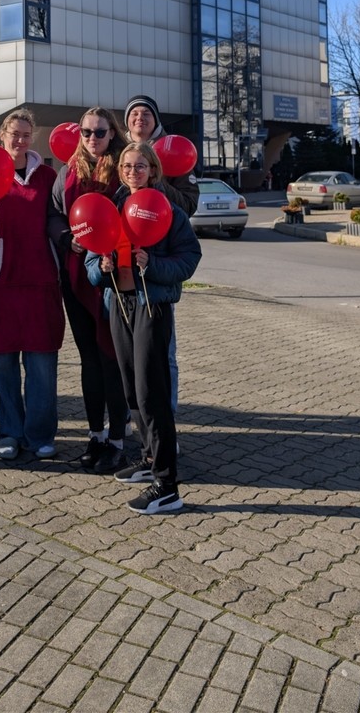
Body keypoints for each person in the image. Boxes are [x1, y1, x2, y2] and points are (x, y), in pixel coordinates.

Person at [86, 142, 201, 514]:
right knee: (131, 388)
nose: (132, 172)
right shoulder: (112, 208)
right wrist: (101, 268)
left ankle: (167, 485)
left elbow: (189, 258)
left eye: (140, 166)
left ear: (153, 170)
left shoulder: (167, 210)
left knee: (152, 392)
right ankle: (149, 458)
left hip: (152, 306)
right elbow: (90, 262)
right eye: (126, 165)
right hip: (120, 304)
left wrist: (152, 265)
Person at [0, 108, 64, 462]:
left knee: (42, 366)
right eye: (15, 134)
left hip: (40, 284)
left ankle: (40, 435)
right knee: (3, 367)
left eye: (27, 135)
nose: (21, 140)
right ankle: (10, 433)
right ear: (2, 135)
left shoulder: (47, 176)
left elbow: (57, 221)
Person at [48, 107, 129, 474]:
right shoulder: (66, 172)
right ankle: (95, 435)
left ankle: (118, 441)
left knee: (112, 358)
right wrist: (68, 239)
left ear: (112, 134)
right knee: (89, 359)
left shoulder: (124, 169)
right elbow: (53, 216)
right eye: (86, 132)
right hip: (76, 276)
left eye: (100, 132)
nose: (92, 139)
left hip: (113, 277)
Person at [124, 94, 198, 417]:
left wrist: (155, 181)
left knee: (163, 352)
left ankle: (165, 420)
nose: (139, 118)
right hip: (122, 273)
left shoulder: (174, 151)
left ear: (156, 120)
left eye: (146, 113)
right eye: (134, 114)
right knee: (126, 353)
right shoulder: (119, 152)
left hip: (159, 268)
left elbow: (189, 204)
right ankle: (132, 418)